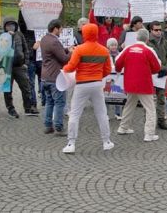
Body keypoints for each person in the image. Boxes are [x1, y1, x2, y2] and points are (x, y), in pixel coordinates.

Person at [62, 23, 114, 153]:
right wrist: (98, 75)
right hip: (97, 84)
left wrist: (64, 69)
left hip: (81, 84)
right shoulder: (104, 50)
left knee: (75, 114)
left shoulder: (79, 49)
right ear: (96, 33)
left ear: (84, 34)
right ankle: (106, 141)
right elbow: (107, 70)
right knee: (102, 113)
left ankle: (71, 143)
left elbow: (71, 67)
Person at [115, 28, 162, 142]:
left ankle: (123, 127)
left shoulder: (128, 49)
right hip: (144, 84)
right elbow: (157, 67)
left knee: (129, 105)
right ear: (147, 39)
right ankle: (149, 134)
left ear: (136, 37)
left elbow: (117, 63)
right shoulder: (149, 50)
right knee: (150, 109)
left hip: (130, 83)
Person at [40, 19, 72, 135]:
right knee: (59, 102)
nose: (61, 31)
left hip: (45, 76)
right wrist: (72, 52)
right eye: (61, 29)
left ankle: (48, 125)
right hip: (55, 77)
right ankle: (58, 127)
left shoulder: (44, 39)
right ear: (55, 28)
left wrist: (66, 49)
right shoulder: (54, 41)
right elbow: (64, 58)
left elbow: (54, 53)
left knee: (49, 102)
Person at [2, 16, 37, 118]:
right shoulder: (2, 36)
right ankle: (11, 109)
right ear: (5, 26)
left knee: (26, 88)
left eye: (12, 25)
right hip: (7, 67)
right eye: (8, 25)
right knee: (8, 90)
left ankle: (28, 108)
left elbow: (25, 49)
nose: (11, 27)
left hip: (20, 66)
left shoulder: (19, 34)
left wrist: (25, 62)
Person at [147, 21, 167, 130]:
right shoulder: (147, 42)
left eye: (160, 30)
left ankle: (161, 120)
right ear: (151, 31)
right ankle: (149, 121)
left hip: (162, 75)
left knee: (162, 98)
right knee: (150, 100)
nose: (158, 32)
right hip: (151, 75)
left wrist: (166, 68)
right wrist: (160, 68)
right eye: (156, 30)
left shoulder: (164, 42)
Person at [18, 8, 42, 111]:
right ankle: (33, 104)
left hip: (42, 59)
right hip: (32, 59)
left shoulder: (42, 28)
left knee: (44, 82)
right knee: (31, 83)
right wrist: (21, 10)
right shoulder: (26, 30)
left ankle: (45, 99)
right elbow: (21, 23)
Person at [105, 38, 123, 120]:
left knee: (118, 95)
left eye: (115, 45)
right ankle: (106, 114)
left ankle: (118, 113)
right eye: (112, 45)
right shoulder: (105, 55)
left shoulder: (120, 54)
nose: (114, 47)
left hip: (118, 77)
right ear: (108, 46)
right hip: (108, 78)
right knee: (107, 96)